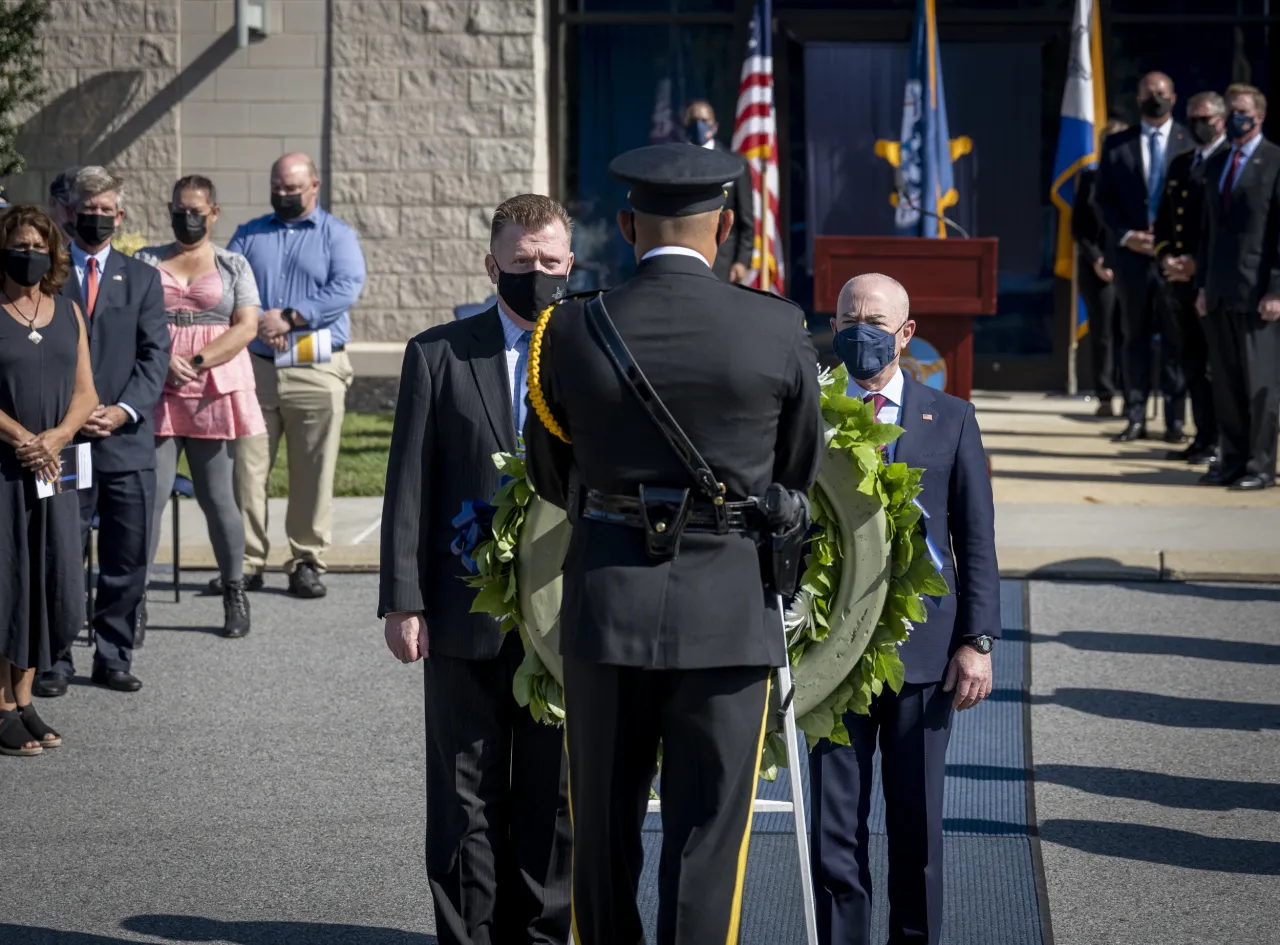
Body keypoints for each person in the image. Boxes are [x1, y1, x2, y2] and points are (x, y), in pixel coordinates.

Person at [523, 142, 823, 945]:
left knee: (602, 837)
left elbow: (553, 476)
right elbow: (794, 476)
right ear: (726, 226)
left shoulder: (571, 328)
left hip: (608, 608)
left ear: (626, 225)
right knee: (707, 840)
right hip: (727, 615)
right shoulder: (777, 325)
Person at [380, 194, 575, 945]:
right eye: (522, 262)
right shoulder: (438, 353)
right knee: (465, 799)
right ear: (491, 264)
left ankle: (543, 935)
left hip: (564, 619)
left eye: (550, 262)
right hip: (464, 617)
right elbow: (409, 487)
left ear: (571, 264)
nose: (537, 274)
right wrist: (403, 601)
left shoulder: (595, 352)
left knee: (554, 797)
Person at [812, 273, 1000, 945]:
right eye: (846, 317)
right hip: (831, 654)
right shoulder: (809, 412)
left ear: (906, 333)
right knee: (836, 830)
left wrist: (977, 639)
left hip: (922, 655)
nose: (858, 330)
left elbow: (974, 537)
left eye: (874, 320)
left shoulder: (949, 418)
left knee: (916, 824)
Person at [35, 167, 169, 698]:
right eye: (86, 209)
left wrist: (123, 411)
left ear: (121, 215)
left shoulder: (142, 279)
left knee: (126, 555)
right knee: (62, 551)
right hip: (62, 442)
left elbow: (155, 356)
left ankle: (114, 653)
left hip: (125, 443)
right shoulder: (47, 273)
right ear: (69, 213)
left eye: (106, 210)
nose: (97, 218)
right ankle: (55, 656)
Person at [226, 153, 366, 599]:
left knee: (312, 471)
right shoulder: (249, 234)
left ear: (314, 186)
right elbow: (228, 281)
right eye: (277, 187)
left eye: (292, 188)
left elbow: (346, 286)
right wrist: (263, 322)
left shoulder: (337, 235)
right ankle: (245, 562)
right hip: (256, 368)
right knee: (246, 469)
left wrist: (292, 317)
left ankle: (306, 560)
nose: (283, 195)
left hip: (315, 368)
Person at [136, 176, 265, 638]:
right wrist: (161, 359)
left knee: (217, 499)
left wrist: (193, 361)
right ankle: (134, 602)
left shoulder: (233, 264)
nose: (186, 217)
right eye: (178, 208)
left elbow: (246, 325)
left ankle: (234, 592)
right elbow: (128, 317)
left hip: (213, 386)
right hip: (156, 387)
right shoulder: (146, 260)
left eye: (195, 210)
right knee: (149, 499)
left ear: (213, 212)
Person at [0, 206, 97, 756]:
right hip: (7, 471)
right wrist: (25, 440)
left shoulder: (66, 311)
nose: (28, 254)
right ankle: (1, 707)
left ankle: (25, 696)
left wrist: (57, 438)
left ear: (53, 254)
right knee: (7, 581)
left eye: (38, 246)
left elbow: (86, 391)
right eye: (18, 244)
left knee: (44, 577)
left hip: (54, 469)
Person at [1094, 71, 1192, 442]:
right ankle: (1134, 416)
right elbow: (1102, 200)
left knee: (1175, 340)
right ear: (1138, 99)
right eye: (1149, 93)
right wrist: (1127, 237)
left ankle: (1175, 421)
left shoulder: (1187, 142)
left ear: (1174, 97)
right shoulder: (1119, 144)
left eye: (1162, 92)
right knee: (1133, 337)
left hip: (1175, 262)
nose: (1156, 98)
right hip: (1133, 258)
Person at [1195, 84, 1280, 491]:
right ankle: (1232, 460)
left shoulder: (1275, 161)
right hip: (1220, 292)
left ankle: (1261, 466)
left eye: (1242, 110)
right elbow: (1208, 233)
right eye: (1230, 110)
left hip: (1259, 293)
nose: (1234, 117)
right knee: (1226, 385)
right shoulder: (1218, 164)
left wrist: (1277, 289)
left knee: (1262, 386)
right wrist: (1202, 286)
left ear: (1259, 116)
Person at [1154, 91, 1229, 467]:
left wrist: (1196, 264)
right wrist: (1167, 256)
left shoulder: (1228, 161)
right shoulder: (1181, 164)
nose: (1199, 124)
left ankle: (1221, 439)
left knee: (1217, 367)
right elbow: (1167, 220)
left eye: (1206, 118)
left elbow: (1223, 228)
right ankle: (1202, 436)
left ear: (1221, 119)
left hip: (1211, 281)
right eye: (1193, 117)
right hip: (1180, 283)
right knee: (1192, 364)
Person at [1074, 119, 1128, 415]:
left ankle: (1133, 396)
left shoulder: (1137, 178)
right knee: (1103, 333)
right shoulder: (1090, 179)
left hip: (1129, 265)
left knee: (1131, 332)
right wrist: (1097, 260)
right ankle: (1106, 395)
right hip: (1097, 267)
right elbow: (1079, 229)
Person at [683, 100, 755, 285]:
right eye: (693, 120)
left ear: (714, 126)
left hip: (723, 258)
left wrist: (742, 260)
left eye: (704, 120)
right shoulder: (675, 162)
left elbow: (746, 217)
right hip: (684, 254)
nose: (699, 125)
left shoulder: (734, 163)